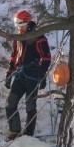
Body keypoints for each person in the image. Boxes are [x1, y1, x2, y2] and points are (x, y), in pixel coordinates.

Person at [5, 10, 51, 140]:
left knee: (30, 106)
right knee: (10, 103)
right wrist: (9, 73)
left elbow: (46, 58)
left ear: (27, 22)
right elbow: (14, 56)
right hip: (20, 75)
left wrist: (42, 75)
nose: (19, 28)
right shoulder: (18, 37)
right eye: (17, 25)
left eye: (21, 24)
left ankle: (28, 134)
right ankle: (15, 131)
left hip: (33, 76)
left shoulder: (38, 37)